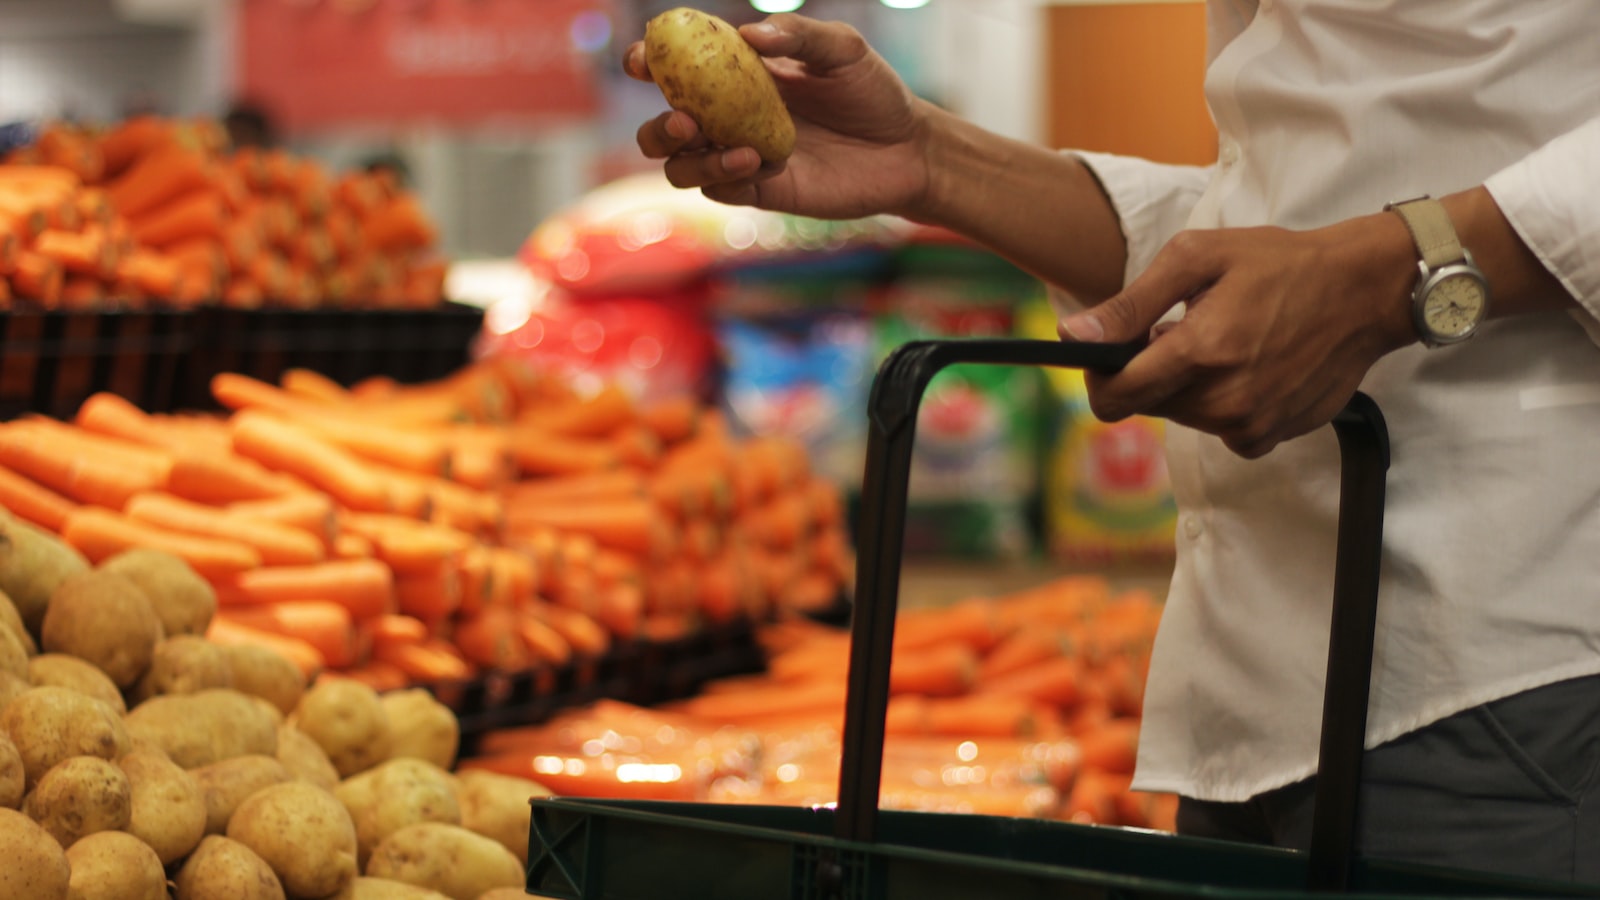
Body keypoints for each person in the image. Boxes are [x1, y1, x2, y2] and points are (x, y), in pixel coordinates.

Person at [627, 1, 1600, 884]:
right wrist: (933, 161)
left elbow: (1351, 250)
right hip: (1255, 681)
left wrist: (1397, 269)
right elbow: (1280, 225)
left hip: (1508, 661)